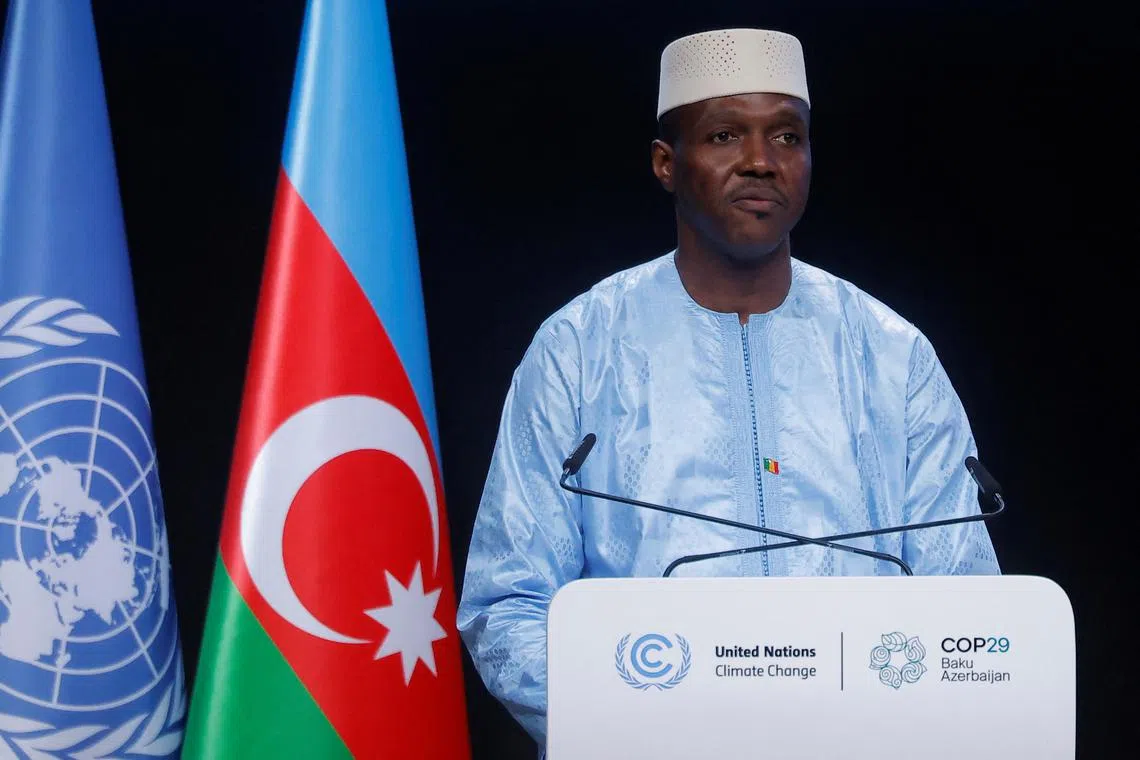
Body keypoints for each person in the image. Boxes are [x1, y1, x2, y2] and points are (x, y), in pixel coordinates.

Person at [456, 27, 1000, 751]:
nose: (760, 162)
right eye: (722, 135)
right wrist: (642, 726)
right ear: (665, 164)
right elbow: (509, 603)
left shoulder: (892, 355)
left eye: (786, 136)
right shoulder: (580, 349)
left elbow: (962, 597)